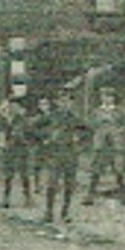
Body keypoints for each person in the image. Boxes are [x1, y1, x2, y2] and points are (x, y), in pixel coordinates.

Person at [43, 89, 90, 224]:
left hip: (70, 154)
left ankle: (65, 212)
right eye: (62, 101)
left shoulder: (75, 119)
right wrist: (46, 138)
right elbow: (34, 128)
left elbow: (87, 132)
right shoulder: (51, 117)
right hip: (55, 154)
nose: (65, 104)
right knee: (52, 183)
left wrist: (79, 140)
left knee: (69, 185)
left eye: (68, 101)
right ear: (58, 102)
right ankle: (49, 211)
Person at [0, 85, 35, 209]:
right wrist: (3, 143)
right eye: (11, 104)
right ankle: (6, 198)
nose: (13, 107)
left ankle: (28, 198)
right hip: (9, 149)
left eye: (15, 104)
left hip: (21, 148)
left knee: (24, 174)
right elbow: (2, 132)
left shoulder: (21, 119)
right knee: (8, 175)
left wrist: (20, 140)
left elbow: (24, 133)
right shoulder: (6, 119)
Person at [85, 87, 123, 202]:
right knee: (96, 168)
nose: (107, 99)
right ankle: (90, 194)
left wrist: (117, 132)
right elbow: (90, 125)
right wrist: (99, 124)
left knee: (118, 168)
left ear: (113, 98)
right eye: (105, 96)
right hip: (100, 143)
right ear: (101, 98)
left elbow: (123, 126)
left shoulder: (118, 111)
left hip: (114, 143)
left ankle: (122, 193)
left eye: (110, 96)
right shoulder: (96, 111)